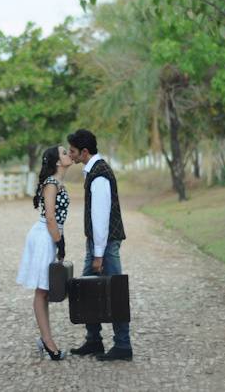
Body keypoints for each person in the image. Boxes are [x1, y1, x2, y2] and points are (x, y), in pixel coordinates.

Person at [67, 129, 133, 362]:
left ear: (85, 152)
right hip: (97, 243)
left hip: (104, 244)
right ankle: (94, 340)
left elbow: (101, 218)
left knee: (115, 292)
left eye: (73, 151)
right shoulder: (94, 171)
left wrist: (98, 255)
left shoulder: (100, 175)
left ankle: (123, 345)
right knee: (86, 290)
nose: (70, 155)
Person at [16, 145, 73, 361]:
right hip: (44, 236)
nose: (68, 154)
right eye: (64, 152)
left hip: (51, 235)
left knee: (46, 291)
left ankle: (45, 338)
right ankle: (48, 343)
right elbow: (50, 217)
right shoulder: (51, 184)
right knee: (42, 291)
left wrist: (59, 240)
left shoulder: (58, 182)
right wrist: (60, 242)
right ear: (57, 162)